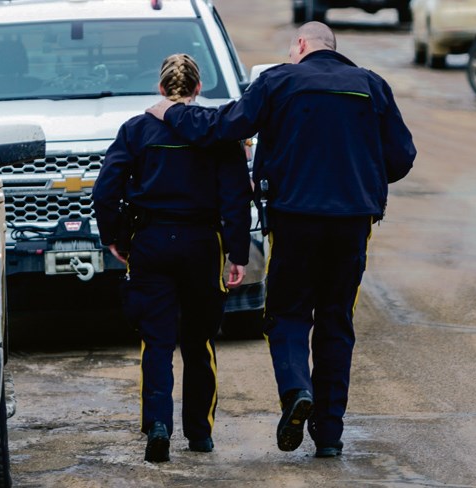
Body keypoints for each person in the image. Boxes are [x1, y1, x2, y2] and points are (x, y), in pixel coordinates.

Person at [146, 22, 416, 458]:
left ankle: (295, 392)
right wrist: (357, 176)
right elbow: (402, 156)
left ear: (302, 45)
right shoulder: (371, 85)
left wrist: (172, 112)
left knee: (287, 313)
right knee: (335, 320)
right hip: (351, 222)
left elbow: (223, 127)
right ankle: (328, 435)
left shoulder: (278, 81)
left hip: (294, 220)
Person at [93, 54, 252, 463]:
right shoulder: (218, 135)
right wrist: (236, 252)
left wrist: (115, 237)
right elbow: (237, 197)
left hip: (151, 241)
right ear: (198, 90)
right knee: (200, 341)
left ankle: (158, 423)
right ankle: (200, 434)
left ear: (161, 90)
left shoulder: (136, 129)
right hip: (203, 243)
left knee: (157, 340)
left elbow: (105, 191)